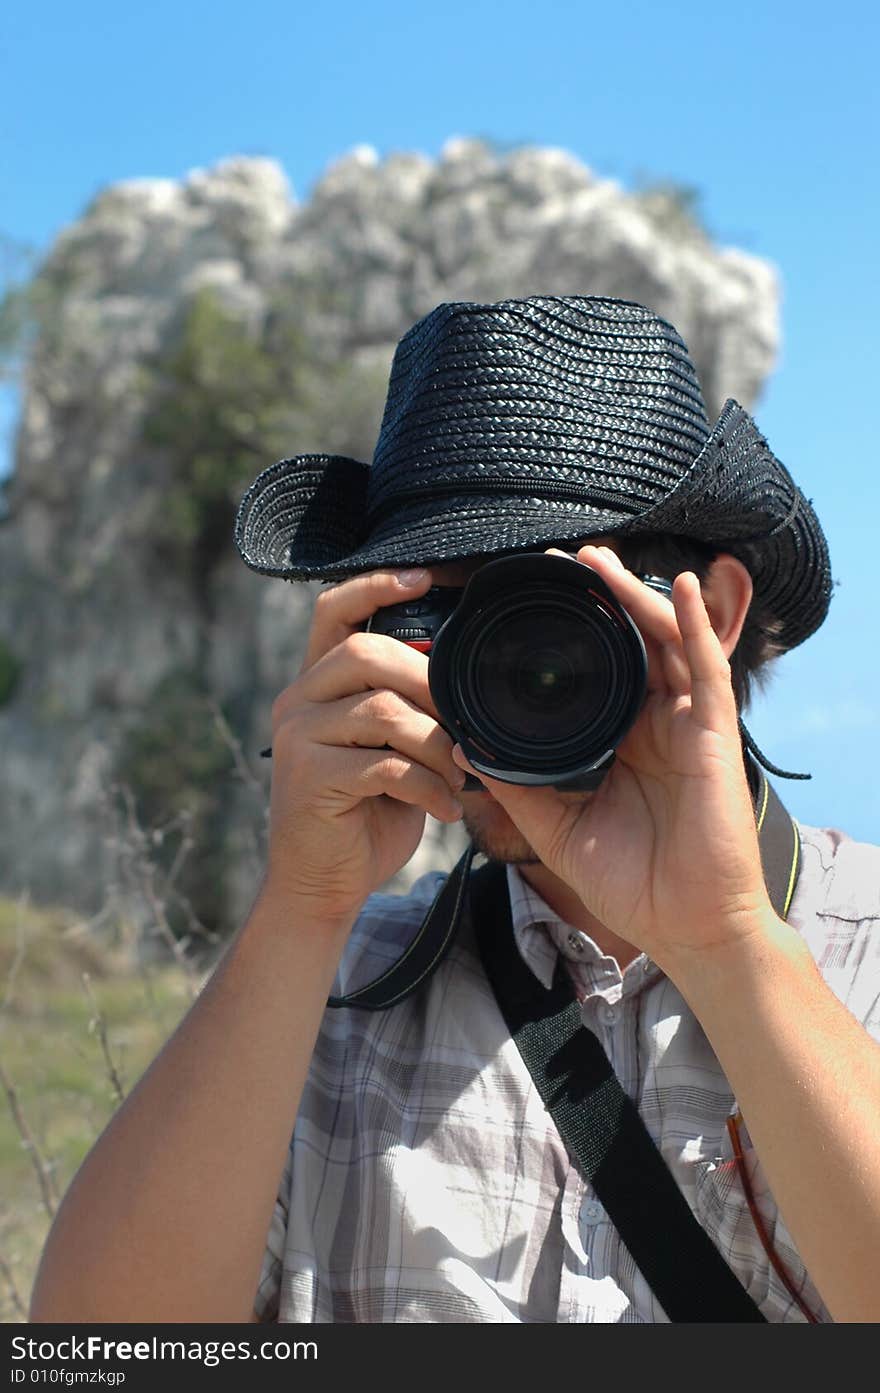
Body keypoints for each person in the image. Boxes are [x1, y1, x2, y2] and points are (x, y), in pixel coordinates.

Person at [29, 295, 880, 1324]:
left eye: (558, 613)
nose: (512, 667)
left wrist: (730, 941)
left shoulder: (862, 951)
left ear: (720, 612)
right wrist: (301, 907)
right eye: (453, 615)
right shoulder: (325, 990)